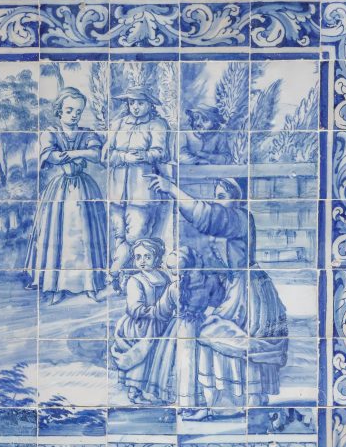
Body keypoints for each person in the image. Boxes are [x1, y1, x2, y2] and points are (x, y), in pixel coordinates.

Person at [148, 174, 288, 405]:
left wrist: (173, 190)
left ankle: (240, 401)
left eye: (222, 196)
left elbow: (209, 216)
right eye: (216, 197)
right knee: (223, 340)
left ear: (237, 199)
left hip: (247, 291)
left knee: (226, 338)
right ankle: (228, 401)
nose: (217, 202)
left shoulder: (239, 218)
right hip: (238, 287)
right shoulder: (235, 220)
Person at [25, 87, 107, 305]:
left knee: (86, 235)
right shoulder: (50, 132)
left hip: (84, 188)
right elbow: (50, 156)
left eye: (78, 112)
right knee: (57, 235)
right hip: (60, 189)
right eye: (69, 110)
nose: (74, 115)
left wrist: (70, 154)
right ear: (59, 110)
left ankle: (90, 285)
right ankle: (55, 287)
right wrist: (77, 156)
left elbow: (96, 154)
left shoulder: (86, 132)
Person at [104, 85, 171, 289]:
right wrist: (124, 157)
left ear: (149, 104)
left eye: (140, 102)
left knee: (136, 237)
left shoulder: (157, 124)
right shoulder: (117, 124)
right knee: (119, 236)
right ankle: (124, 279)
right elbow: (105, 155)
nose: (135, 106)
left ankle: (115, 272)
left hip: (142, 191)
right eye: (131, 102)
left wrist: (144, 155)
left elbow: (161, 152)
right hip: (117, 191)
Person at [144, 247, 225, 407]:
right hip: (203, 326)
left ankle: (183, 401)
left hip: (180, 327)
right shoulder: (210, 281)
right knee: (199, 364)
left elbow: (161, 311)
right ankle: (199, 401)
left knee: (180, 363)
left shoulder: (174, 287)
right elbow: (218, 302)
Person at [110, 238, 170, 404]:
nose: (142, 261)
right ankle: (134, 392)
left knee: (160, 355)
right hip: (141, 324)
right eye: (138, 257)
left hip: (162, 322)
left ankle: (156, 389)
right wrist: (156, 311)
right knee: (142, 353)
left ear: (156, 258)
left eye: (147, 256)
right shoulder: (135, 280)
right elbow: (134, 308)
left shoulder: (164, 277)